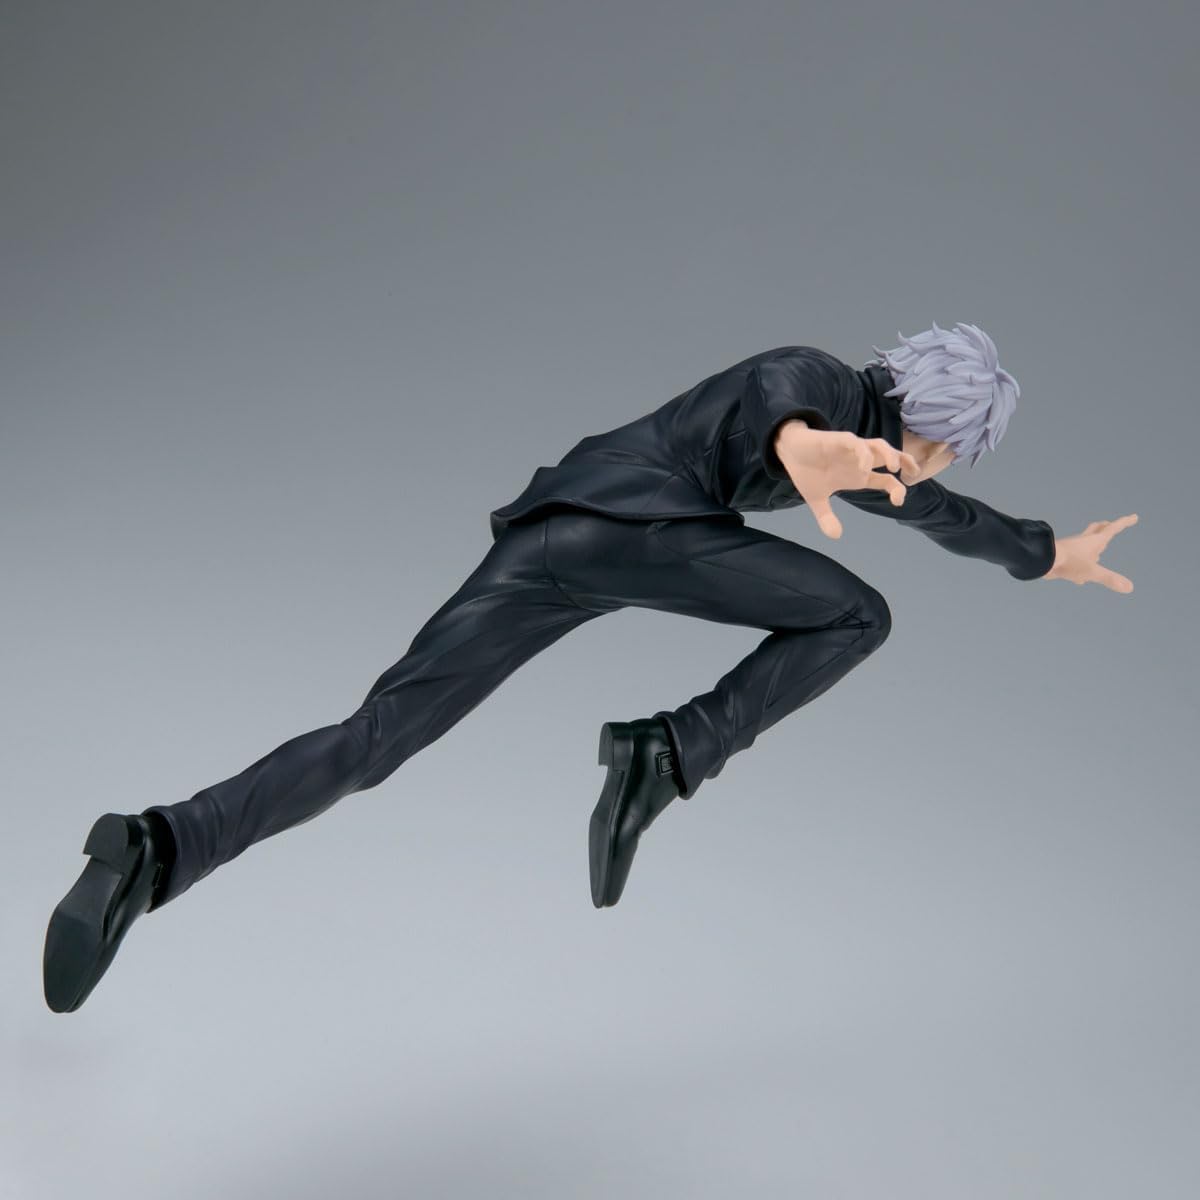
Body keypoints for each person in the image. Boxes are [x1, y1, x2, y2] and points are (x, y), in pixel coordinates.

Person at [42, 322, 1137, 1013]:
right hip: (637, 531)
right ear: (935, 421)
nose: (933, 468)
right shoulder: (817, 383)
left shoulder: (880, 455)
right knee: (856, 616)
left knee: (374, 740)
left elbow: (944, 514)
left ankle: (152, 847)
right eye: (949, 446)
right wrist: (810, 452)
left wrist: (1049, 554)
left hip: (555, 539)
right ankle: (666, 753)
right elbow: (783, 408)